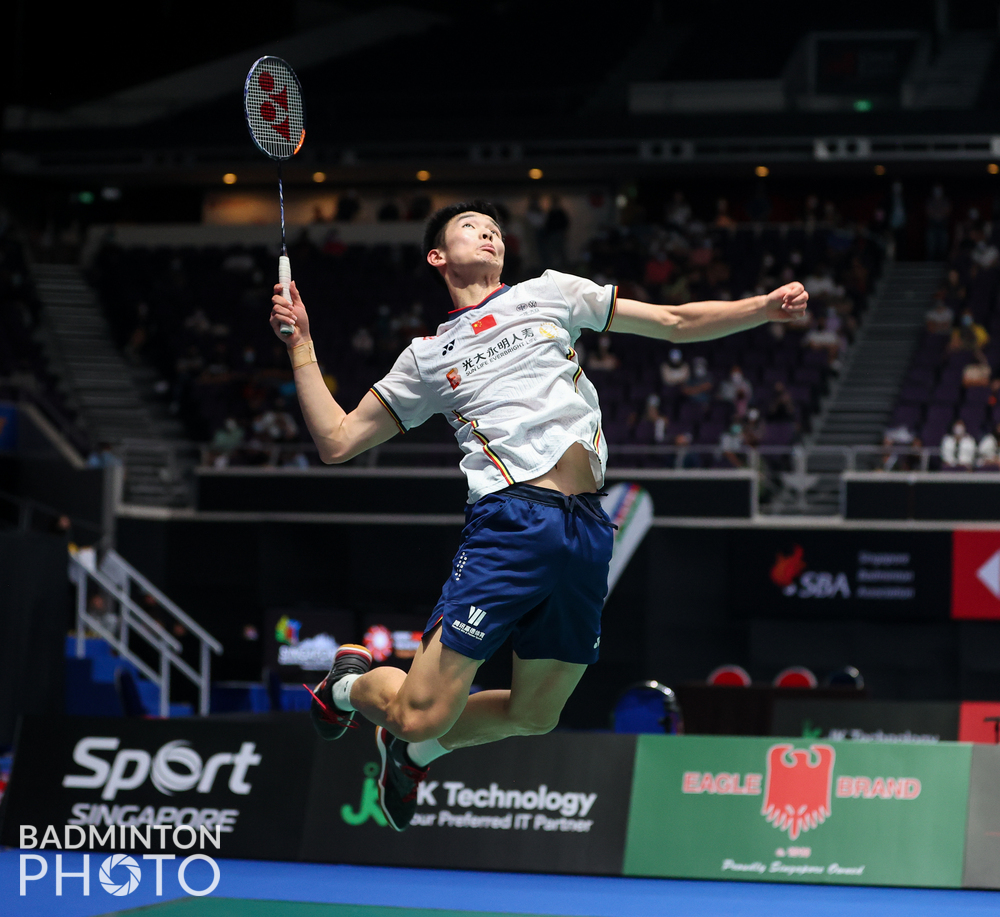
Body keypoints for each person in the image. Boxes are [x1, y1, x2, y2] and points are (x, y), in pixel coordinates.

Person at [268, 200, 808, 831]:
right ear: (437, 256)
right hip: (510, 522)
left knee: (534, 714)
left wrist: (761, 308)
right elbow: (336, 441)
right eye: (470, 227)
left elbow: (673, 320)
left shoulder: (550, 293)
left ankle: (411, 755)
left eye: (494, 228)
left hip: (587, 527)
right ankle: (347, 684)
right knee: (419, 711)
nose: (488, 232)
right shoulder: (428, 357)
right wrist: (301, 345)